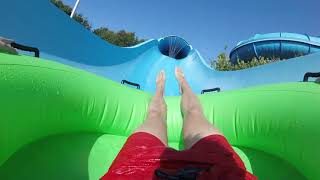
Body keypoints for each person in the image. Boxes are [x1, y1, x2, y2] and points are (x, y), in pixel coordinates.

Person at [101, 67, 257, 180]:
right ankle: (179, 84)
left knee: (155, 115)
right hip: (220, 169)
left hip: (135, 168)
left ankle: (166, 87)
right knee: (194, 112)